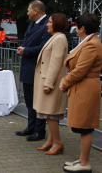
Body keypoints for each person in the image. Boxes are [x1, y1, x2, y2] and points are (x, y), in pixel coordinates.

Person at [60, 13, 102, 173]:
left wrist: (65, 82)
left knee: (85, 127)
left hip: (85, 88)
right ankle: (82, 160)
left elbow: (80, 70)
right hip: (83, 87)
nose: (75, 30)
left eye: (76, 27)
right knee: (82, 127)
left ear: (82, 28)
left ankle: (85, 163)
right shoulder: (90, 41)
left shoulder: (91, 44)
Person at [15, 0, 51, 141]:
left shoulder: (47, 24)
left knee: (38, 102)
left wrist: (26, 51)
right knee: (29, 101)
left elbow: (44, 47)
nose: (27, 13)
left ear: (36, 10)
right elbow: (28, 41)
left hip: (37, 69)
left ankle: (39, 130)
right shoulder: (32, 24)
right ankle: (31, 127)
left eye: (29, 10)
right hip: (27, 69)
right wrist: (22, 48)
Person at [33, 13, 68, 155]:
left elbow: (55, 63)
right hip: (48, 81)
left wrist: (49, 83)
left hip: (50, 83)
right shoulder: (56, 37)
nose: (47, 24)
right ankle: (51, 141)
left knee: (50, 114)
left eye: (50, 22)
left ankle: (58, 143)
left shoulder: (59, 38)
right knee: (48, 114)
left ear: (57, 24)